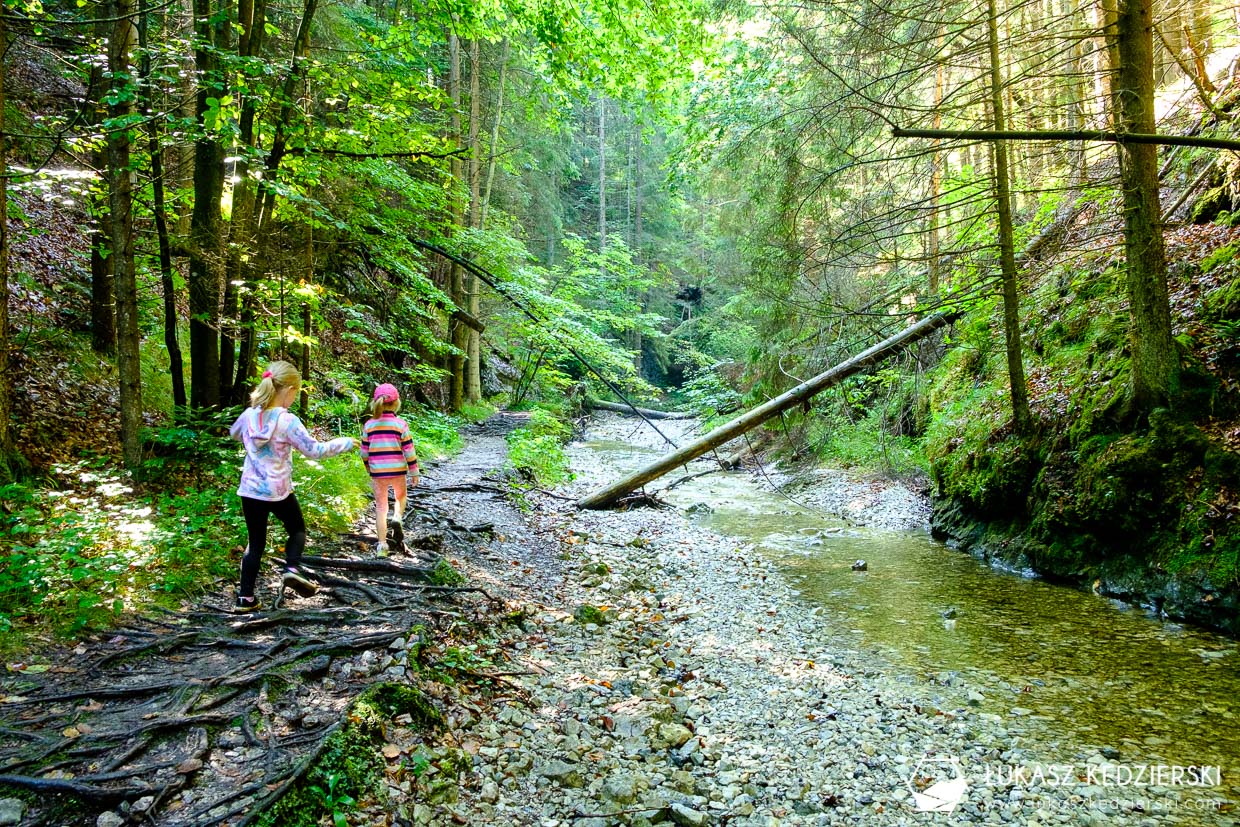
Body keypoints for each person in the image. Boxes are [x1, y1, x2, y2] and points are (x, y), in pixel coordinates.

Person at [229, 361, 356, 612]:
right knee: (297, 529)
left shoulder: (249, 415)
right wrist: (345, 443)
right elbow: (314, 451)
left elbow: (234, 433)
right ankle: (292, 568)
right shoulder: (287, 421)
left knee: (255, 543)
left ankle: (246, 599)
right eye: (296, 392)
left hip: (250, 491)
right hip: (277, 491)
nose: (295, 397)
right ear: (287, 390)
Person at [360, 383, 419, 556]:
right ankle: (397, 518)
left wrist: (369, 468)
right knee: (400, 497)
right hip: (398, 471)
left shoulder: (369, 425)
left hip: (378, 473)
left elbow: (364, 452)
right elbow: (409, 450)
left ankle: (382, 546)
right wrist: (414, 472)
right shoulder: (400, 425)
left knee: (380, 507)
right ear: (396, 403)